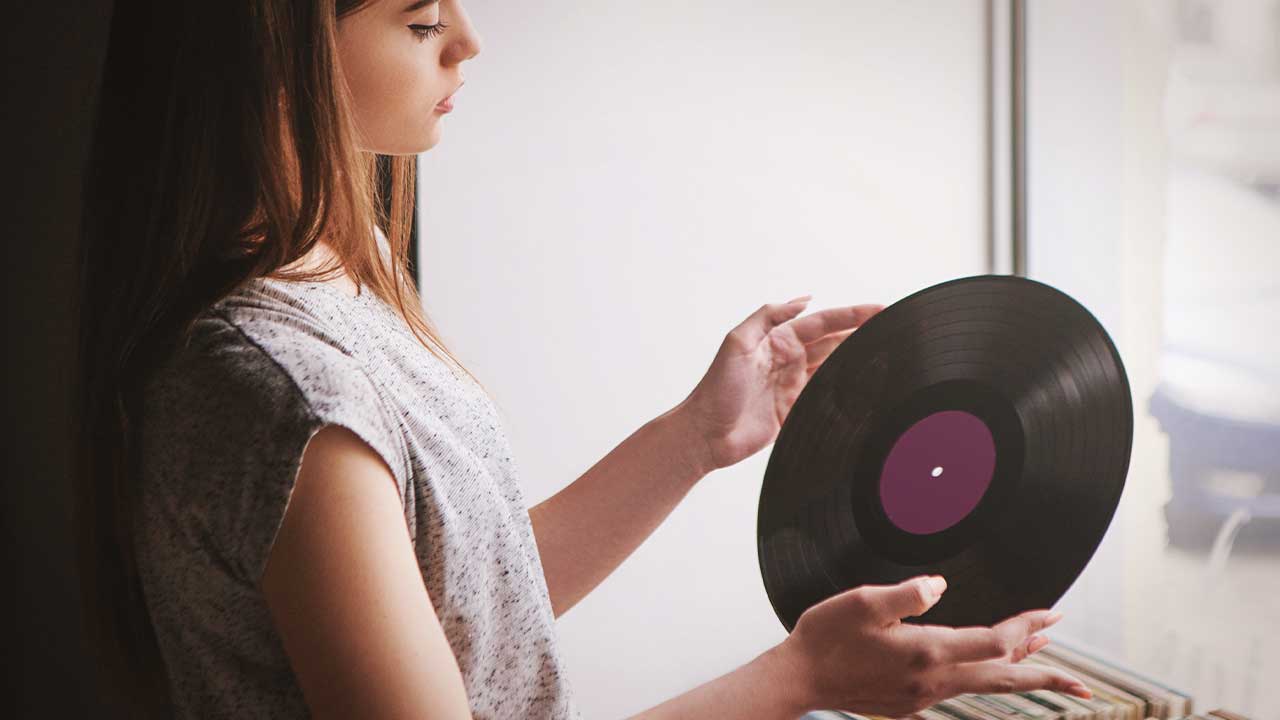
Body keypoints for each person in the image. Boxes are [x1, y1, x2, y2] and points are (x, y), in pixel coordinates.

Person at [72, 1, 1093, 718]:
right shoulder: (273, 387)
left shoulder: (339, 275)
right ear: (272, 53)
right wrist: (795, 681)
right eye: (420, 20)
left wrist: (695, 436)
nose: (468, 41)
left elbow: (470, 610)